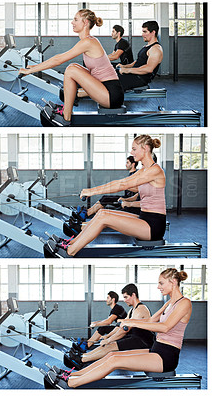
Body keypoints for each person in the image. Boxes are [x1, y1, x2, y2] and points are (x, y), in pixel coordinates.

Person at [46, 268, 192, 389]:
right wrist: (128, 321)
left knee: (114, 362)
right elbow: (151, 320)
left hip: (166, 356)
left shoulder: (184, 303)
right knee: (111, 356)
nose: (158, 287)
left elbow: (165, 327)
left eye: (161, 283)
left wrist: (133, 323)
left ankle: (70, 384)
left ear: (173, 282)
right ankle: (72, 375)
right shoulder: (169, 303)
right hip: (156, 348)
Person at [46, 134, 166, 258]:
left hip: (153, 225)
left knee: (104, 219)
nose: (131, 152)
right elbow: (125, 184)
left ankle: (69, 252)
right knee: (102, 213)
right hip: (144, 217)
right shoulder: (144, 171)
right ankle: (70, 243)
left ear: (145, 148)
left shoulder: (155, 170)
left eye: (134, 149)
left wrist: (91, 191)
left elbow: (122, 184)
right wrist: (101, 189)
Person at [18, 9, 124, 126]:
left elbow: (59, 59)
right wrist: (34, 66)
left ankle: (65, 117)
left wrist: (32, 70)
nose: (72, 22)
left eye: (76, 19)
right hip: (105, 89)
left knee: (71, 69)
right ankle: (66, 109)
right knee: (73, 66)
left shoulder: (88, 42)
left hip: (111, 94)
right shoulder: (88, 41)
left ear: (85, 23)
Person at [69, 284, 154, 368]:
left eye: (126, 297)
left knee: (110, 345)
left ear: (133, 295)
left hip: (144, 342)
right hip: (135, 338)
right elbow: (120, 327)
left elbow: (125, 330)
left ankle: (81, 360)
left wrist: (109, 340)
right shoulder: (132, 310)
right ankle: (83, 356)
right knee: (107, 344)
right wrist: (108, 337)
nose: (124, 300)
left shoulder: (141, 309)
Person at [73, 156, 139, 220]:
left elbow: (136, 189)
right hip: (125, 197)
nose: (125, 165)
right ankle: (87, 212)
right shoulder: (130, 175)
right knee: (105, 198)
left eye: (127, 163)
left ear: (133, 164)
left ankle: (86, 214)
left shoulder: (137, 174)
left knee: (106, 211)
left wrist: (124, 187)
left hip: (130, 200)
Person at [117, 21, 163, 91]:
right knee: (110, 75)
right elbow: (138, 61)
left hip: (140, 79)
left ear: (153, 32)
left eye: (145, 32)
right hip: (134, 75)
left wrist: (127, 70)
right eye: (142, 32)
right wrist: (124, 66)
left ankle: (110, 100)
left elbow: (148, 69)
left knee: (112, 82)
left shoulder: (156, 49)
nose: (142, 34)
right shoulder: (147, 46)